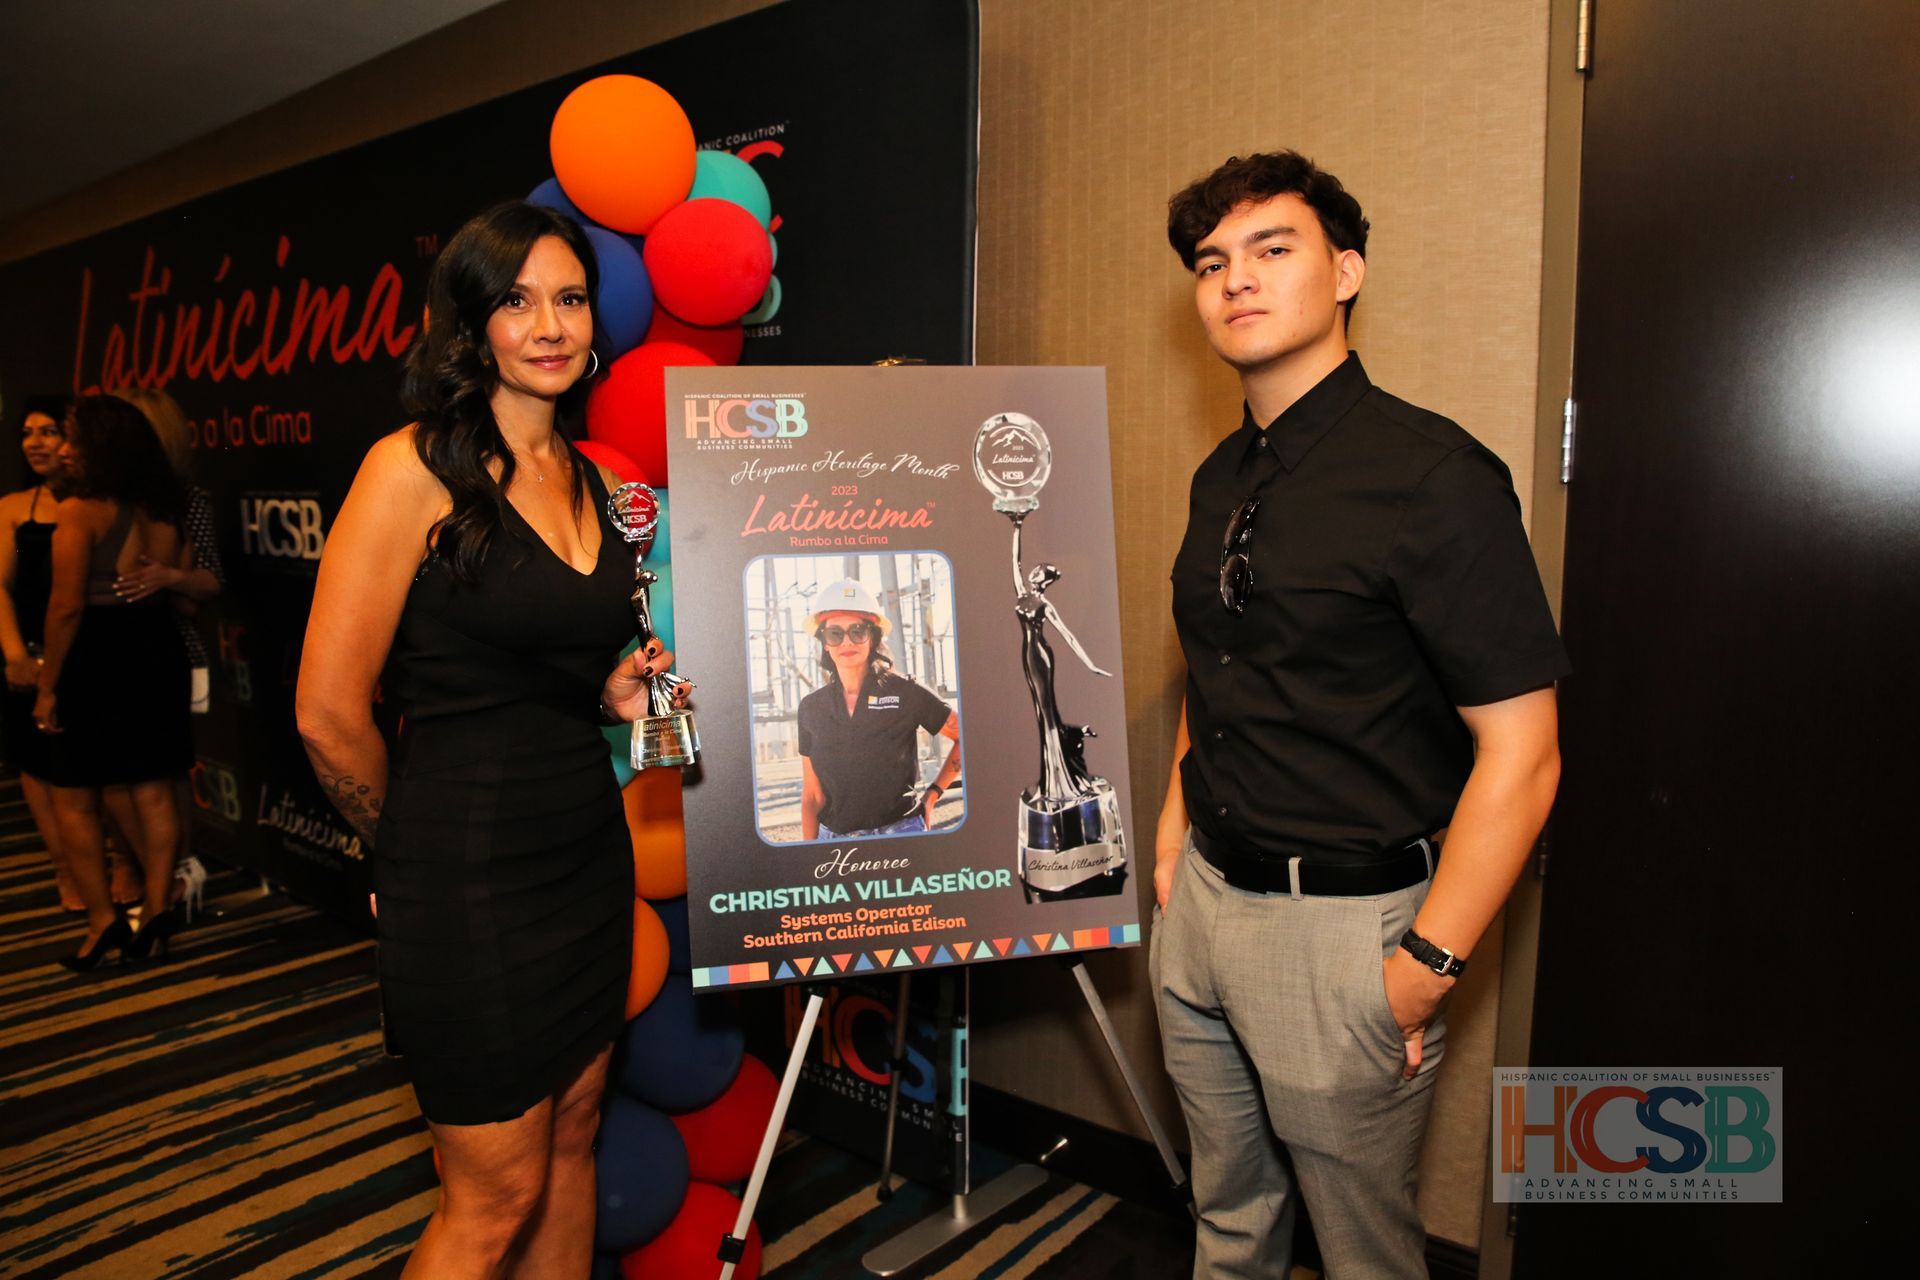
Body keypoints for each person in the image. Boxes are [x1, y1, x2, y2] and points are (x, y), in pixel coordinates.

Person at [1151, 151, 1567, 1278]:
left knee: (1364, 1252)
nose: (1236, 278)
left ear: (1345, 270)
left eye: (1272, 249)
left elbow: (1524, 755)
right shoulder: (1220, 475)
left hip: (1345, 936)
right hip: (1201, 910)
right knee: (1227, 1216)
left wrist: (1423, 964)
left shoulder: (1434, 477)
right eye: (1211, 262)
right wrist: (1170, 843)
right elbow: (1220, 659)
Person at [295, 200, 685, 1279]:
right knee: (493, 1189)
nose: (550, 324)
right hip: (464, 876)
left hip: (583, 861)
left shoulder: (602, 483)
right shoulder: (408, 471)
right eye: (518, 301)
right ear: (471, 324)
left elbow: (545, 665)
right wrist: (402, 848)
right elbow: (328, 710)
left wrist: (614, 691)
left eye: (568, 299)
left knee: (571, 1139)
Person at [35, 394, 196, 970]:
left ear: (97, 445)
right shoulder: (163, 508)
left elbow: (65, 608)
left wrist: (48, 685)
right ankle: (156, 911)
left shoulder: (80, 511)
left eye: (72, 437)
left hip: (97, 656)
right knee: (153, 788)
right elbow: (178, 591)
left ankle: (103, 922)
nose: (62, 447)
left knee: (74, 796)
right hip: (154, 648)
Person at [111, 386, 222, 916]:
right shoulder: (104, 505)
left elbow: (210, 584)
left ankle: (179, 871)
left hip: (172, 653)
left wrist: (169, 577)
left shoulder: (186, 500)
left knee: (167, 773)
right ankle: (144, 868)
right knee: (127, 778)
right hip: (119, 656)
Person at [797, 577, 960, 841]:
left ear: (873, 637)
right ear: (825, 642)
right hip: (836, 844)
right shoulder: (811, 708)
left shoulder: (905, 692)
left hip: (902, 834)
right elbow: (813, 796)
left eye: (858, 631)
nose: (847, 642)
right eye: (835, 633)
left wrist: (933, 794)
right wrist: (807, 857)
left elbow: (965, 736)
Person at [0, 395, 78, 909]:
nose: (35, 442)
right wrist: (14, 656)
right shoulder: (11, 508)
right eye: (28, 432)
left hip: (84, 655)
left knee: (91, 778)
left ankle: (119, 866)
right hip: (26, 656)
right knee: (36, 770)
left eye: (48, 430)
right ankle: (67, 871)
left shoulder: (100, 507)